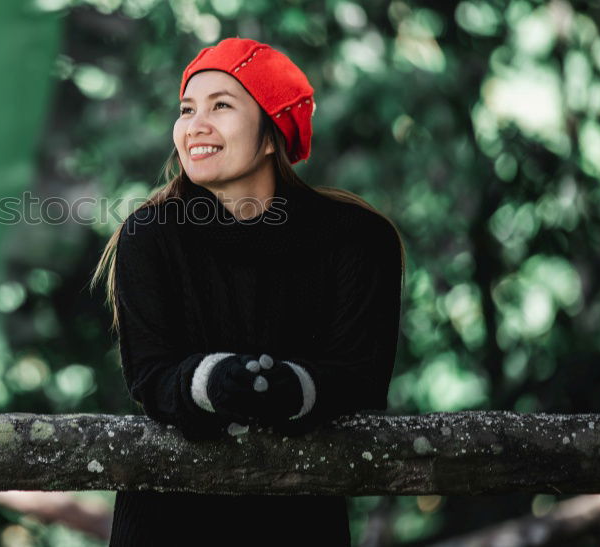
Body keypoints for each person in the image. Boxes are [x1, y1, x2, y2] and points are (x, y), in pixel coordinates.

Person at [91, 37, 406, 545]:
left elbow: (361, 380)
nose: (195, 124)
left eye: (221, 105)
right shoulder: (148, 235)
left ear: (270, 133)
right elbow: (151, 377)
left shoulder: (358, 238)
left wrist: (290, 387)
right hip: (165, 526)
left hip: (299, 526)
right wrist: (214, 382)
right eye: (187, 108)